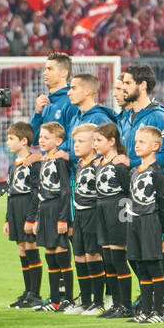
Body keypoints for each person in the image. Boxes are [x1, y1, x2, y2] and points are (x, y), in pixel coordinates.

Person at [127, 125, 164, 322]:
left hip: (150, 220)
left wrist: (161, 227)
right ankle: (145, 310)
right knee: (140, 264)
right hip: (134, 221)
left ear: (155, 146)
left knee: (153, 264)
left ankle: (159, 311)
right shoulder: (134, 171)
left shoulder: (157, 172)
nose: (137, 146)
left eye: (142, 142)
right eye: (136, 142)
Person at [92, 122, 133, 318]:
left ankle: (126, 305)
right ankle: (116, 304)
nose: (95, 145)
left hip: (117, 209)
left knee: (118, 259)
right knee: (108, 259)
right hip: (101, 209)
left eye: (98, 140)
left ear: (112, 141)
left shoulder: (120, 163)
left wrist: (125, 217)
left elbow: (128, 190)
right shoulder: (100, 163)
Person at [3, 121, 44, 311]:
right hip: (15, 208)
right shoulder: (14, 165)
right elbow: (10, 192)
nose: (7, 142)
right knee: (21, 249)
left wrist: (31, 218)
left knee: (31, 247)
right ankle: (27, 292)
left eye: (11, 139)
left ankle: (35, 293)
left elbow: (36, 191)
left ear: (24, 141)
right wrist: (7, 219)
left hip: (27, 206)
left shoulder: (33, 163)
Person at [33, 122, 74, 312]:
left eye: (46, 137)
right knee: (49, 253)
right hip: (45, 209)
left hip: (57, 208)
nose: (41, 140)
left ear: (58, 141)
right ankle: (54, 299)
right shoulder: (45, 160)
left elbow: (66, 190)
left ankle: (68, 299)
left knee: (61, 253)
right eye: (40, 137)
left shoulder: (59, 161)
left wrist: (63, 218)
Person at [66, 124, 105, 314]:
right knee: (79, 256)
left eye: (81, 141)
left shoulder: (99, 165)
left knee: (93, 255)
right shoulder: (79, 165)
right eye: (75, 141)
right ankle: (85, 301)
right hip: (79, 215)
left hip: (93, 214)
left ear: (93, 144)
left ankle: (99, 302)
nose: (76, 145)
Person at [31, 53, 77, 156]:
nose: (44, 73)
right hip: (48, 165)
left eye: (50, 69)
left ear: (64, 73)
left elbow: (75, 139)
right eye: (45, 69)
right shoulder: (46, 102)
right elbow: (33, 139)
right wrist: (37, 113)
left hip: (64, 167)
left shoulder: (71, 100)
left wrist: (54, 153)